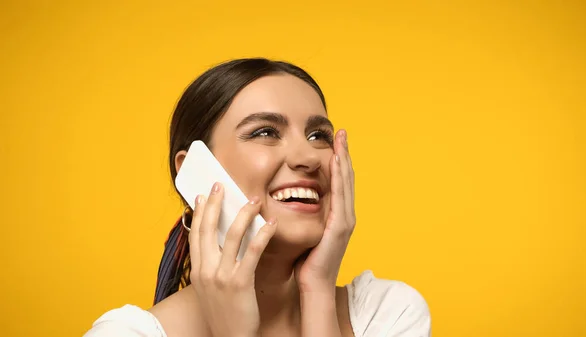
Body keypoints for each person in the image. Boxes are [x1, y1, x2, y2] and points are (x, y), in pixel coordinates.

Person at [83, 58, 431, 337]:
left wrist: (318, 293)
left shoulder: (388, 314)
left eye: (318, 135)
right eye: (265, 132)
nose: (308, 157)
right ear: (193, 173)